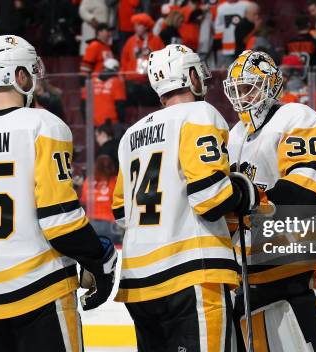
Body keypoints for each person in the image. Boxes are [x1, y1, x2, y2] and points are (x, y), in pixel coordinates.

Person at [0, 35, 117, 351]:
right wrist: (100, 258)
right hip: (39, 293)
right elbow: (60, 222)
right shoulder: (44, 125)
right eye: (29, 70)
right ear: (18, 75)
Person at [112, 44, 258, 351]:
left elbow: (121, 212)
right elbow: (210, 197)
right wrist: (246, 192)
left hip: (138, 281)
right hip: (190, 272)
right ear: (191, 75)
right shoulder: (200, 113)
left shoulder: (131, 134)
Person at [224, 50, 316, 351]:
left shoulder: (295, 117)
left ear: (271, 84)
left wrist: (256, 203)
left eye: (249, 87)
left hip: (297, 272)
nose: (242, 96)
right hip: (250, 277)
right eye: (237, 89)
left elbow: (313, 189)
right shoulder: (234, 134)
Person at [120, 13, 164, 106]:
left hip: (149, 82)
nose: (136, 28)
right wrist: (122, 75)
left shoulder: (156, 40)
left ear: (146, 26)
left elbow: (162, 59)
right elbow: (124, 59)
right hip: (131, 81)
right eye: (135, 25)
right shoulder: (130, 41)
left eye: (139, 25)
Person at [80, 155, 122, 243]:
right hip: (110, 224)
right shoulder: (115, 180)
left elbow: (83, 201)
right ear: (112, 166)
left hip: (91, 225)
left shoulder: (88, 181)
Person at [214, 0, 250, 68]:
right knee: (230, 72)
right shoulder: (221, 8)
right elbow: (217, 27)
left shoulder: (246, 5)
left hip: (244, 45)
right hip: (227, 46)